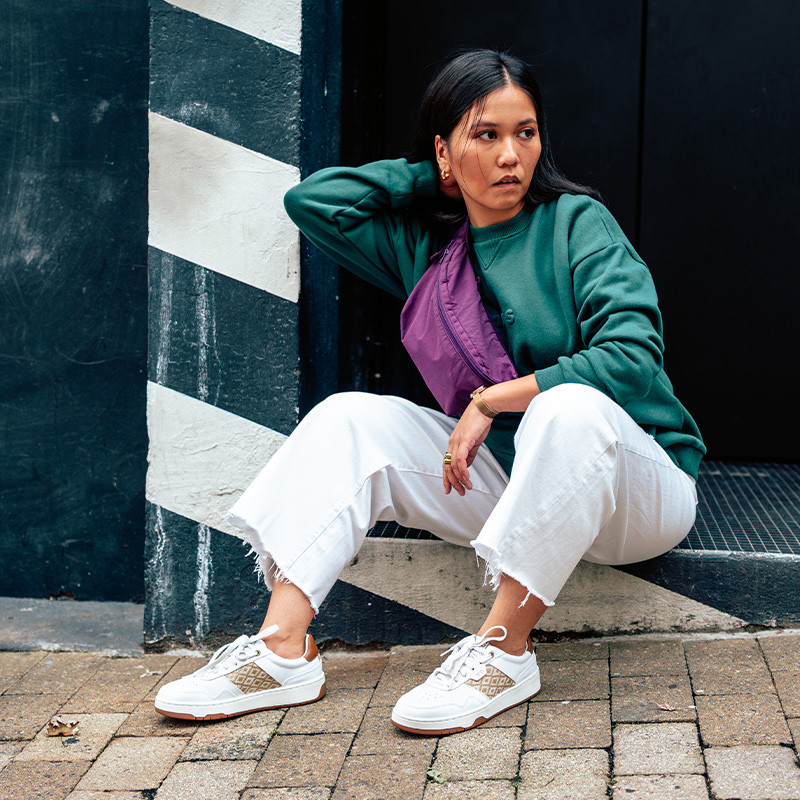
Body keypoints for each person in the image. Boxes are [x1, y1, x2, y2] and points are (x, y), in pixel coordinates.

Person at [154, 49, 704, 735]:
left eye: (525, 133)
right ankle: (282, 649)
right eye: (487, 134)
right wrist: (434, 174)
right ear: (446, 151)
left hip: (634, 490)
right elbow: (314, 203)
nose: (512, 156)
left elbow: (629, 357)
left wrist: (490, 399)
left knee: (566, 407)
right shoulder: (430, 247)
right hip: (513, 485)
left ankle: (503, 652)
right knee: (349, 418)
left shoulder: (575, 224)